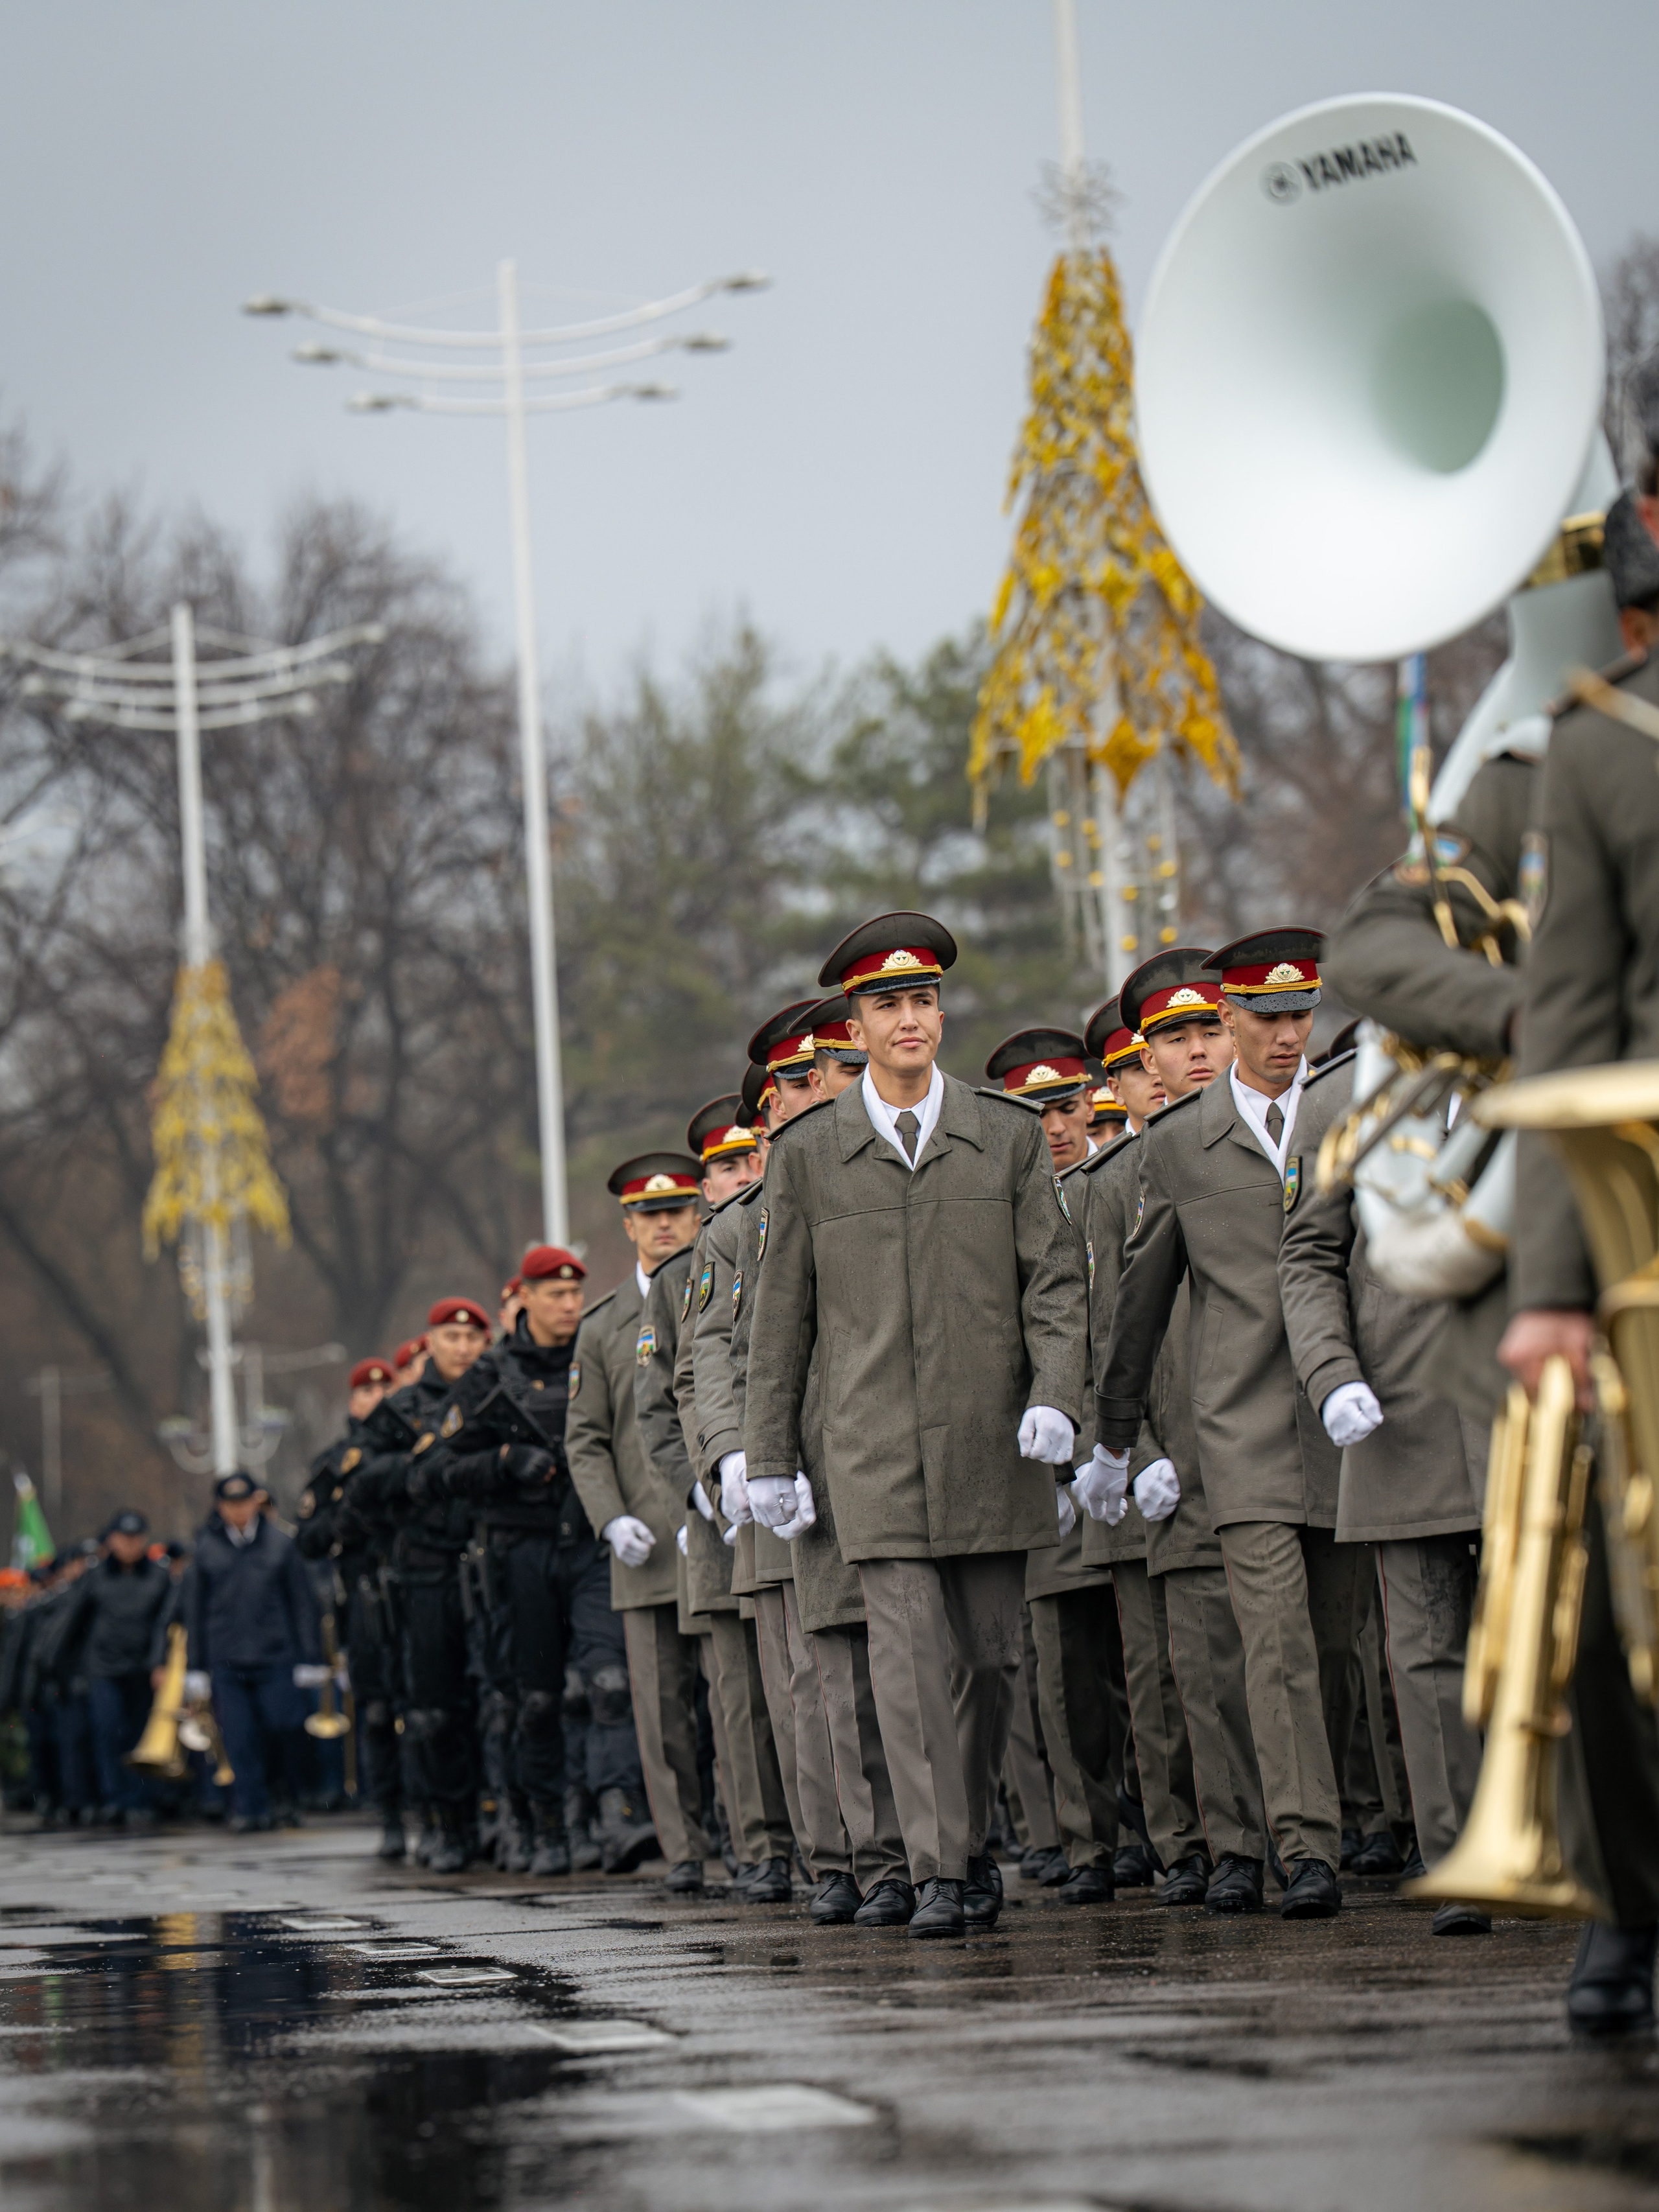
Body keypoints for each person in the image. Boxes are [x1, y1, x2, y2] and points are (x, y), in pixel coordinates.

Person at [745, 912, 1087, 1938]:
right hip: (871, 1451)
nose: (911, 1019)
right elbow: (782, 1320)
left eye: (924, 1000)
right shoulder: (810, 1154)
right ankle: (939, 1868)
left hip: (989, 1444)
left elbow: (1056, 1286)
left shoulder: (1008, 1135)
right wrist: (770, 1457)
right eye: (890, 1003)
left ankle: (968, 1839)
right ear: (856, 1024)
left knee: (989, 1662)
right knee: (902, 1660)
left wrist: (1056, 1394)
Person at [1096, 929, 1358, 1920]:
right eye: (1268, 1018)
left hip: (1343, 1425)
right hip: (1239, 1427)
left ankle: (1325, 1818)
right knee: (1273, 1644)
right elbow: (1141, 1299)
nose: (1288, 1035)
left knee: (1335, 1651)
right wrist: (1117, 1430)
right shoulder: (1178, 1142)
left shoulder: (1348, 1118)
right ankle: (1302, 1848)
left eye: (1302, 1016)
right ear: (1232, 1019)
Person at [1493, 545, 1659, 2032]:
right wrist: (1548, 1282)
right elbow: (1566, 1018)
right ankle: (1630, 1896)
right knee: (1621, 1593)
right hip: (1639, 1217)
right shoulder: (1604, 748)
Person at [1279, 1046, 1490, 1933]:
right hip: (1403, 1404)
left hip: (1535, 1391)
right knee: (1429, 1647)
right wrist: (1331, 1373)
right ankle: (1460, 1855)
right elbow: (1309, 1257)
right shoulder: (1339, 1097)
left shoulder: (1542, 1047)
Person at [1081, 960, 1266, 1913]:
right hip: (1170, 1457)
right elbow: (1105, 1337)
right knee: (1176, 1674)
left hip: (1267, 1443)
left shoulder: (1276, 1142)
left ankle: (1328, 1824)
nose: (1191, 1058)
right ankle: (1197, 1840)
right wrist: (1139, 1451)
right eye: (1170, 1045)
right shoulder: (1119, 1182)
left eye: (1209, 1034)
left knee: (1301, 1653)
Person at [636, 1093, 802, 1903]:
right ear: (705, 1181)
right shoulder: (681, 1274)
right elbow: (666, 1402)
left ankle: (814, 1839)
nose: (744, 1171)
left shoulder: (779, 1222)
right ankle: (762, 1844)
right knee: (740, 1699)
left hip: (789, 1494)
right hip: (718, 1515)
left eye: (749, 1157)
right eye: (726, 1165)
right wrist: (704, 1489)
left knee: (798, 1683)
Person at [567, 1153, 709, 1891]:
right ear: (627, 1225)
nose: (664, 1224)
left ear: (698, 1213)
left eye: (678, 1210)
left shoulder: (721, 1288)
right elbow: (586, 1436)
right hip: (647, 1543)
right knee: (660, 1712)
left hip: (718, 1525)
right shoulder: (603, 1324)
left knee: (742, 1702)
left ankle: (761, 1845)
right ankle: (684, 1848)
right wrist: (610, 1519)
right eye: (650, 1214)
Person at [349, 1298, 494, 1869]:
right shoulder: (402, 1407)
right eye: (450, 1336)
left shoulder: (494, 1393)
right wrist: (419, 1468)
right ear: (430, 1340)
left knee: (496, 1698)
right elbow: (362, 1484)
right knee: (434, 1707)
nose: (462, 1347)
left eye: (472, 1337)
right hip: (427, 1569)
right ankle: (442, 1819)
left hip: (488, 1559)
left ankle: (498, 1814)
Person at [297, 1356, 407, 1857]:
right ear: (354, 1401)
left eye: (386, 1390)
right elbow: (309, 1538)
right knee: (379, 1708)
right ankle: (389, 1811)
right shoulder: (334, 1462)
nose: (377, 1399)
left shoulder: (412, 1441)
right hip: (363, 1591)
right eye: (368, 1391)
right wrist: (344, 1519)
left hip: (414, 1580)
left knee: (428, 1704)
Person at [184, 1473, 323, 1832]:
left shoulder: (280, 1545)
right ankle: (250, 1807)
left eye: (245, 1502)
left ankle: (285, 1798)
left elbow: (302, 1604)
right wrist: (196, 1667)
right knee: (240, 1736)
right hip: (227, 1660)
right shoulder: (206, 1548)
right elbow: (194, 1611)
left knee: (283, 1729)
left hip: (275, 1656)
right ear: (220, 1507)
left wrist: (310, 1657)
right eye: (231, 1504)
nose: (239, 1510)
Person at [55, 1509, 172, 1825]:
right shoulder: (95, 1576)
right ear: (112, 1540)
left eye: (136, 1539)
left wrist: (159, 1662)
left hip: (143, 1669)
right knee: (108, 1732)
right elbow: (73, 1624)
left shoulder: (159, 1576)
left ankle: (141, 1800)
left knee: (141, 1735)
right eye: (123, 1538)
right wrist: (58, 1665)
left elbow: (165, 1625)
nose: (130, 1545)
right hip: (103, 1668)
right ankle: (114, 1798)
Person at [984, 1027, 1098, 1170]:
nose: (1057, 1128)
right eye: (1039, 1115)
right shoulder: (999, 1188)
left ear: (1089, 1106)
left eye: (1068, 1110)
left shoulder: (1124, 1176)